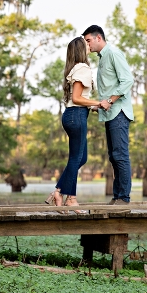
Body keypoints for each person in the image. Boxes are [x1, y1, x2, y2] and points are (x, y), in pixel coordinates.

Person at [46, 36, 103, 211]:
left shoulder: (75, 68)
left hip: (73, 115)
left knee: (81, 157)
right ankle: (70, 198)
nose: (89, 45)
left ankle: (59, 191)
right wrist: (98, 103)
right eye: (86, 43)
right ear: (80, 49)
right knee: (76, 158)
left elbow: (77, 98)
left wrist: (92, 107)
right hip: (76, 116)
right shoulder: (83, 68)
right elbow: (78, 99)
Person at [83, 25, 134, 205]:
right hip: (109, 113)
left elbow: (128, 80)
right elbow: (110, 86)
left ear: (98, 38)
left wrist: (110, 101)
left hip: (118, 112)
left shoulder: (112, 52)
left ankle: (124, 198)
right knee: (113, 156)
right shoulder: (103, 58)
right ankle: (117, 196)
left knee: (120, 155)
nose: (87, 45)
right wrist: (100, 104)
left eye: (88, 41)